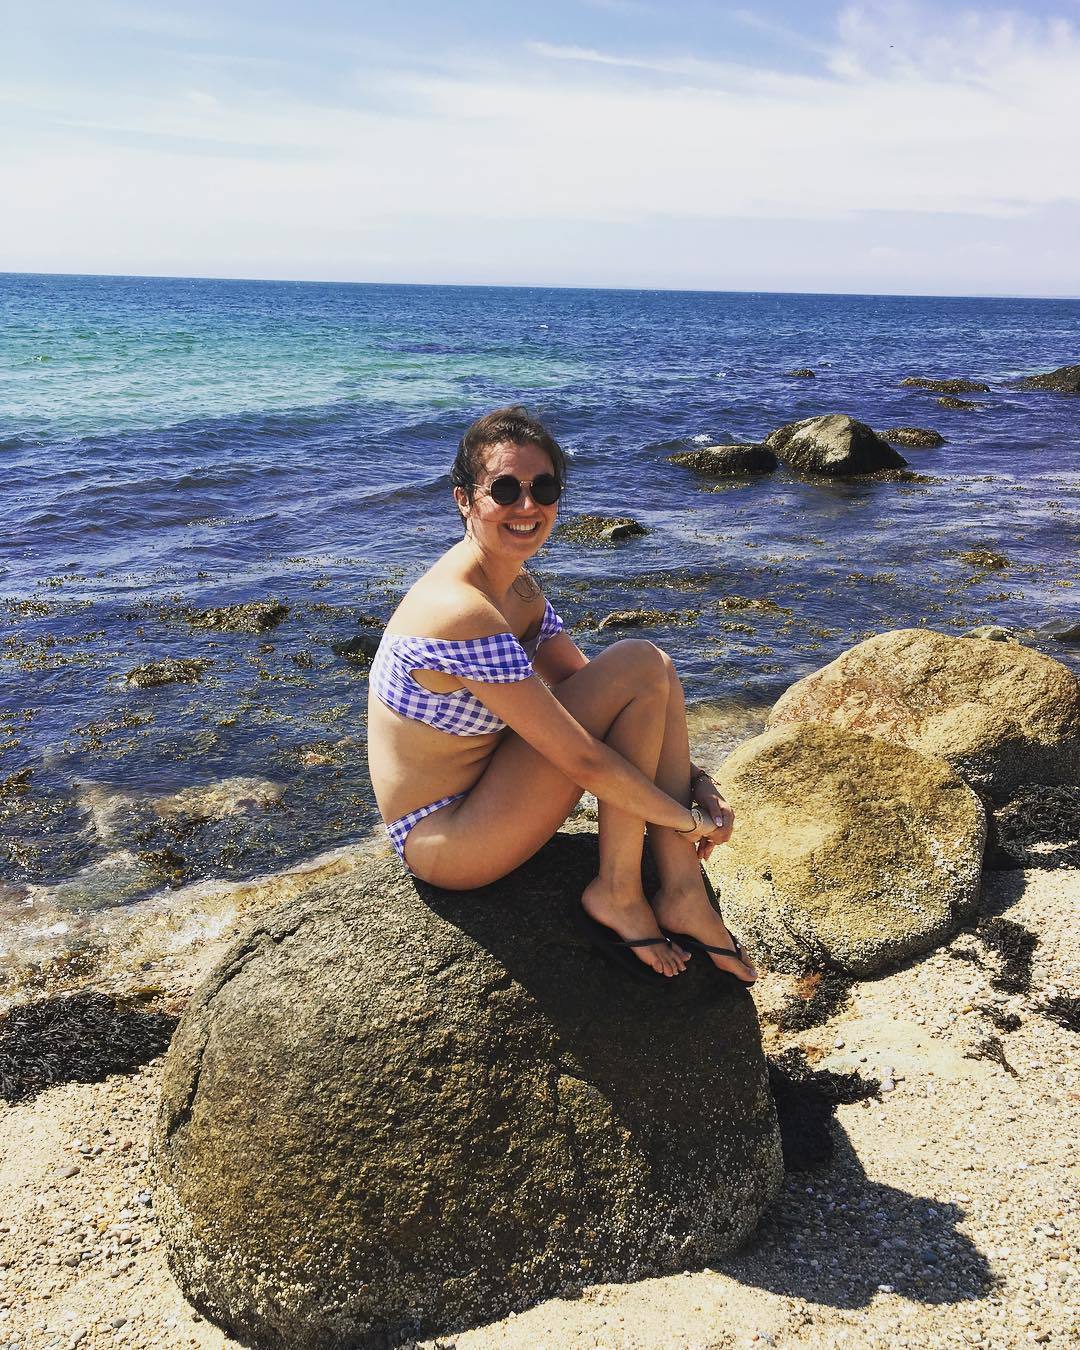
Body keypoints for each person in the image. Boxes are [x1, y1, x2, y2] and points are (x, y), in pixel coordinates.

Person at [366, 406, 757, 982]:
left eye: (543, 488)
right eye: (505, 489)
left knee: (648, 668)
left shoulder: (517, 588)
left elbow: (597, 691)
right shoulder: (460, 609)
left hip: (488, 789)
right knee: (640, 663)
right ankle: (620, 892)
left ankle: (681, 893)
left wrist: (696, 778)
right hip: (446, 840)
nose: (527, 506)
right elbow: (582, 757)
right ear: (464, 500)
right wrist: (683, 821)